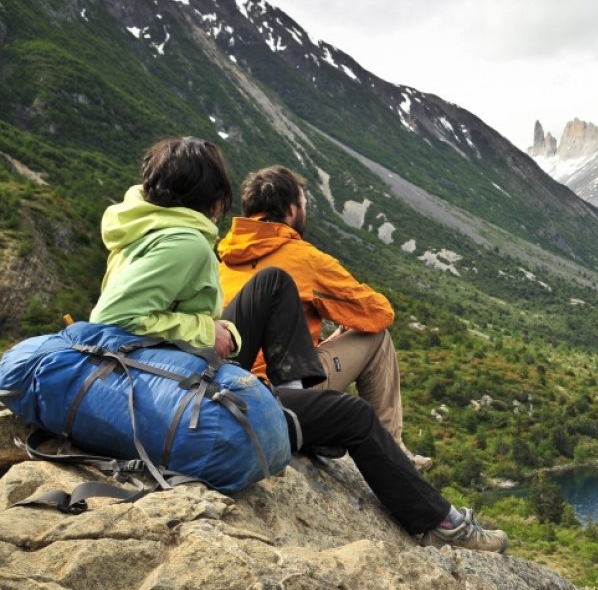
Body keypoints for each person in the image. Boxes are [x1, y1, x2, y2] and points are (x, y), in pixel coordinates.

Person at [89, 136, 507, 553]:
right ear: (215, 199)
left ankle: (294, 399)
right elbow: (112, 317)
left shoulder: (161, 236)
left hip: (176, 375)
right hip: (195, 393)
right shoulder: (188, 242)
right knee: (357, 416)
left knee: (273, 283)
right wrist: (208, 331)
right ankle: (439, 522)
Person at [217, 165, 432, 471]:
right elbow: (379, 314)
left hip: (229, 383)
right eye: (304, 205)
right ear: (291, 211)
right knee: (376, 338)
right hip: (281, 391)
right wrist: (346, 323)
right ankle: (393, 452)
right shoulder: (304, 257)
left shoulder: (223, 254)